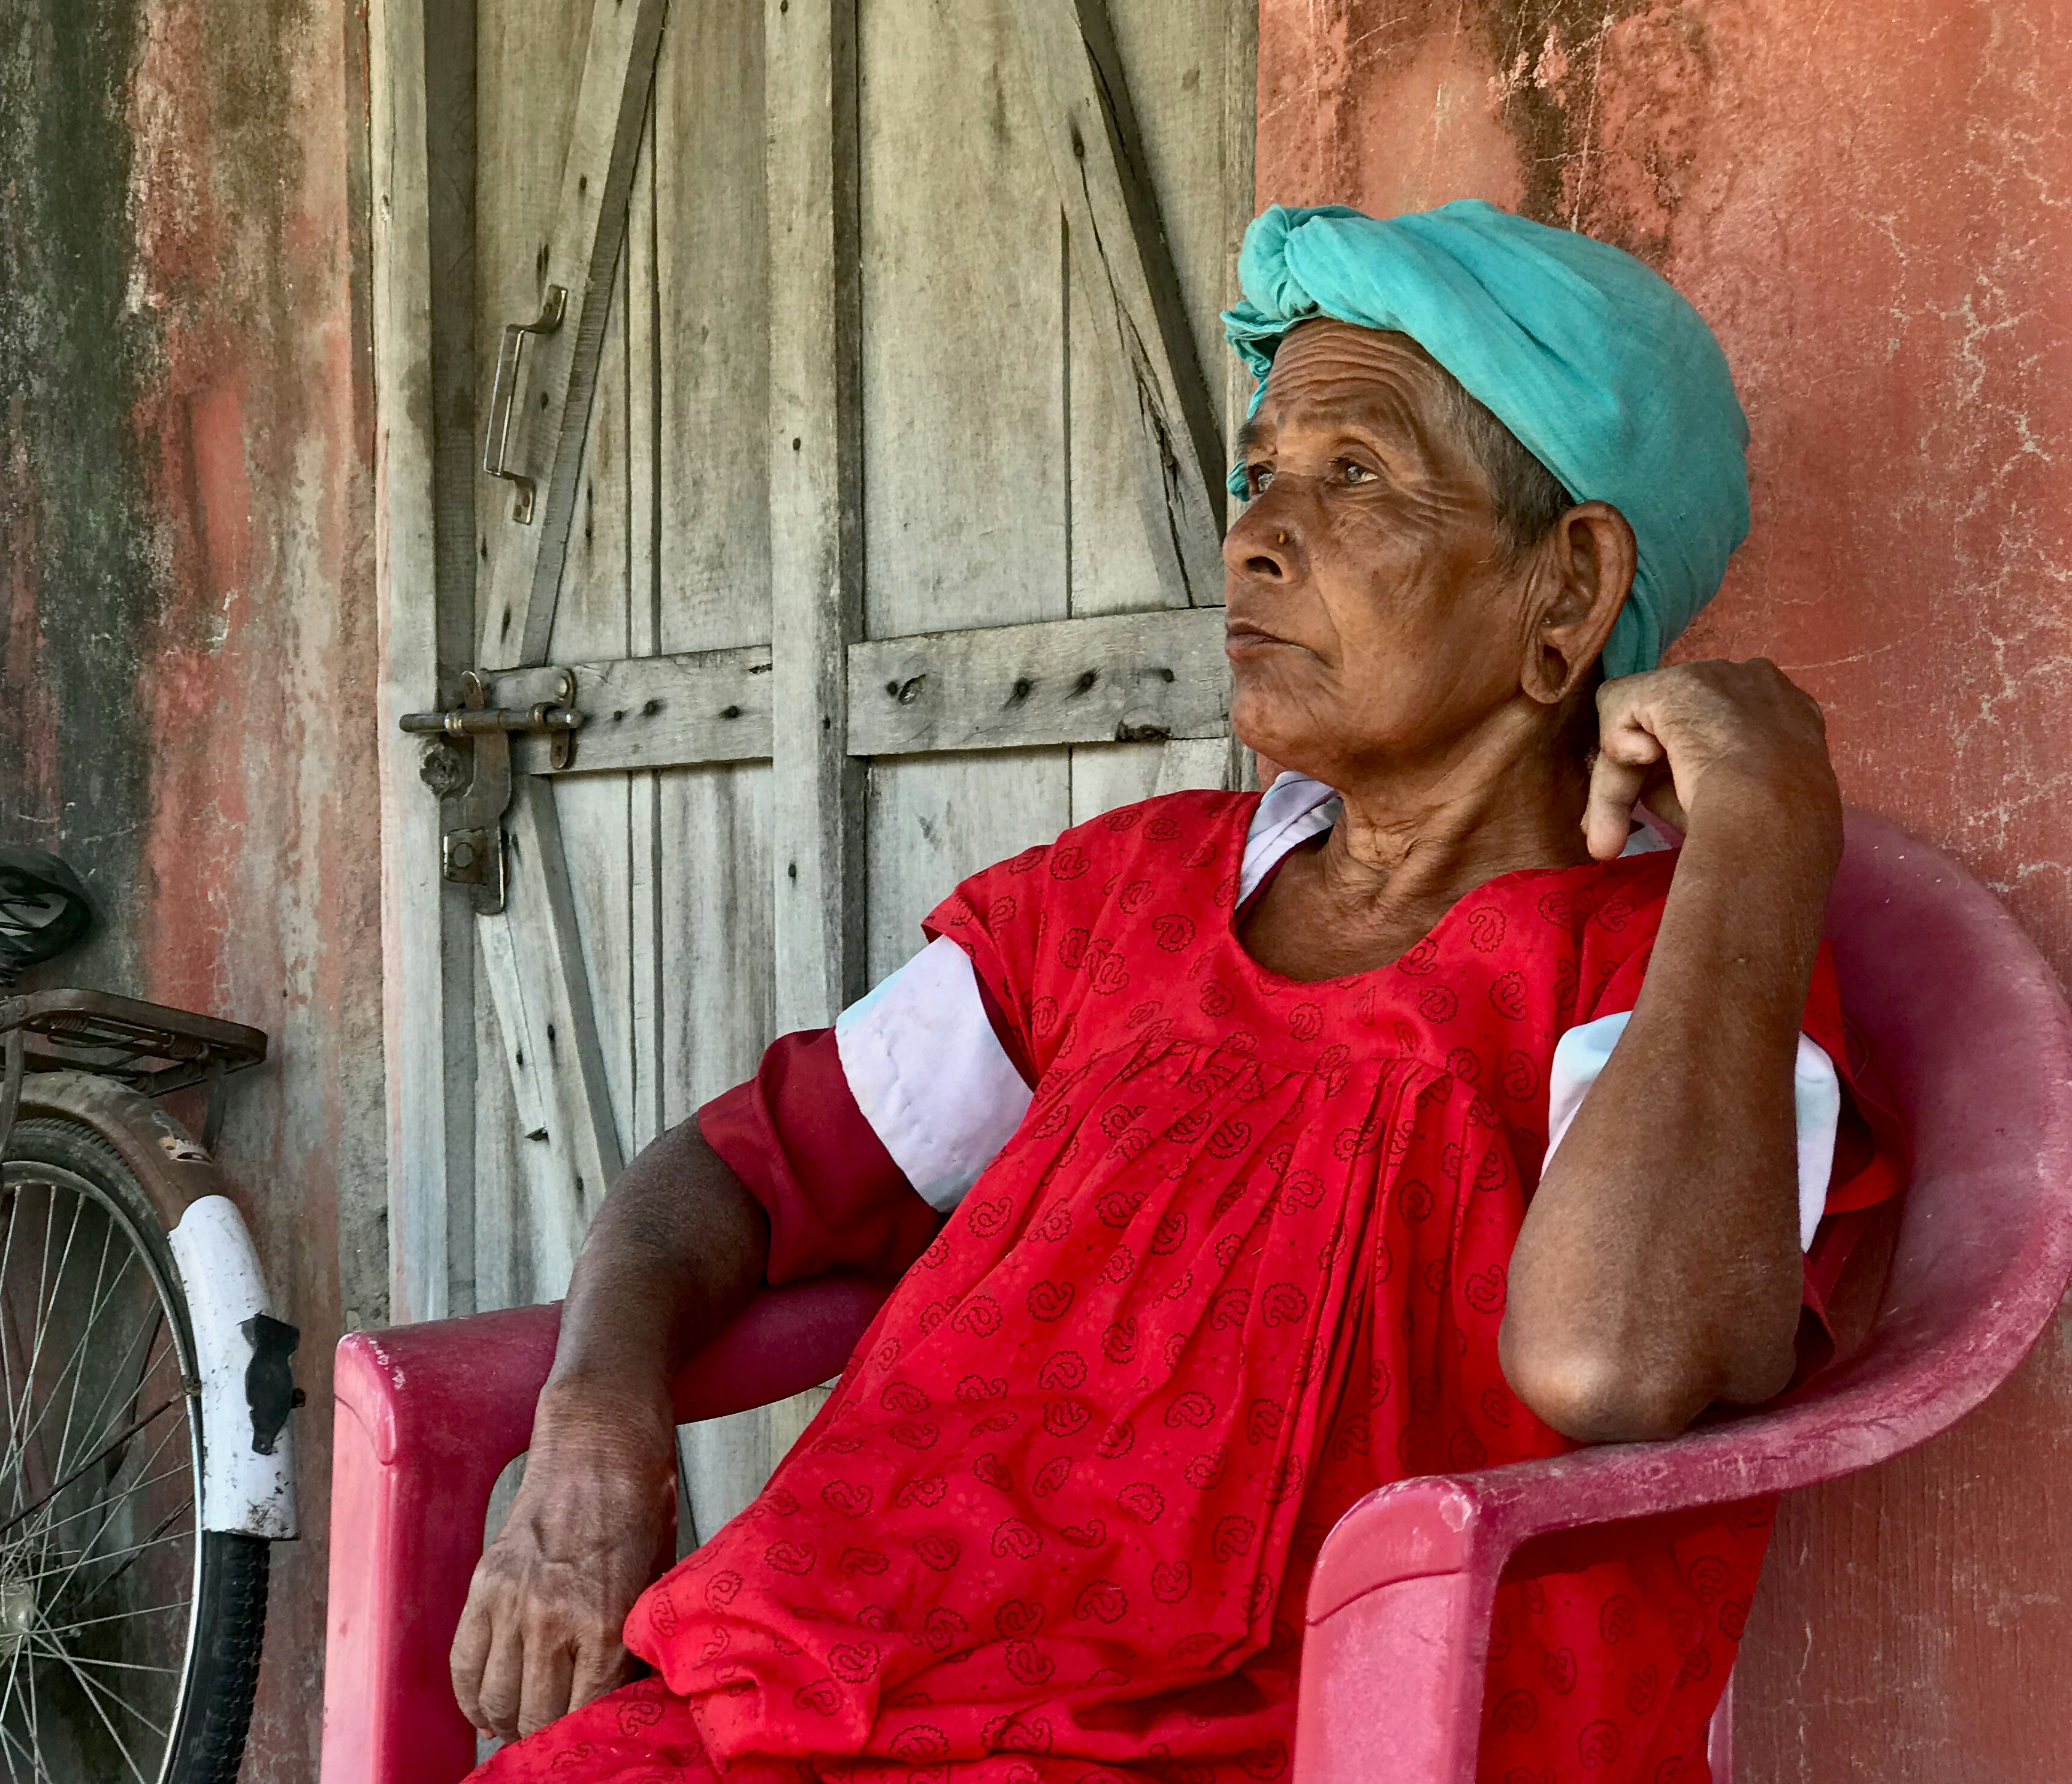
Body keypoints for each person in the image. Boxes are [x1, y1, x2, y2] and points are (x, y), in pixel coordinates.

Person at [446, 200, 1899, 1784]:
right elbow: (734, 1174)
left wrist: (1758, 829)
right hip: (803, 1715)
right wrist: (591, 1426)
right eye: (1262, 473)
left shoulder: (1662, 975)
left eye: (1354, 476)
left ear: (1567, 591)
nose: (1257, 535)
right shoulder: (1117, 900)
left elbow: (1615, 1368)